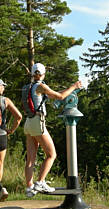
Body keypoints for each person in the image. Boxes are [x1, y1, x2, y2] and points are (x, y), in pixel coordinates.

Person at [23, 63, 83, 197]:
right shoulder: (41, 86)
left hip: (28, 123)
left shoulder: (28, 87)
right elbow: (60, 97)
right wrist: (74, 86)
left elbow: (53, 95)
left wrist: (67, 90)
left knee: (30, 159)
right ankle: (40, 182)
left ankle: (29, 187)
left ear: (33, 74)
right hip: (38, 123)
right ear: (43, 74)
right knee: (51, 154)